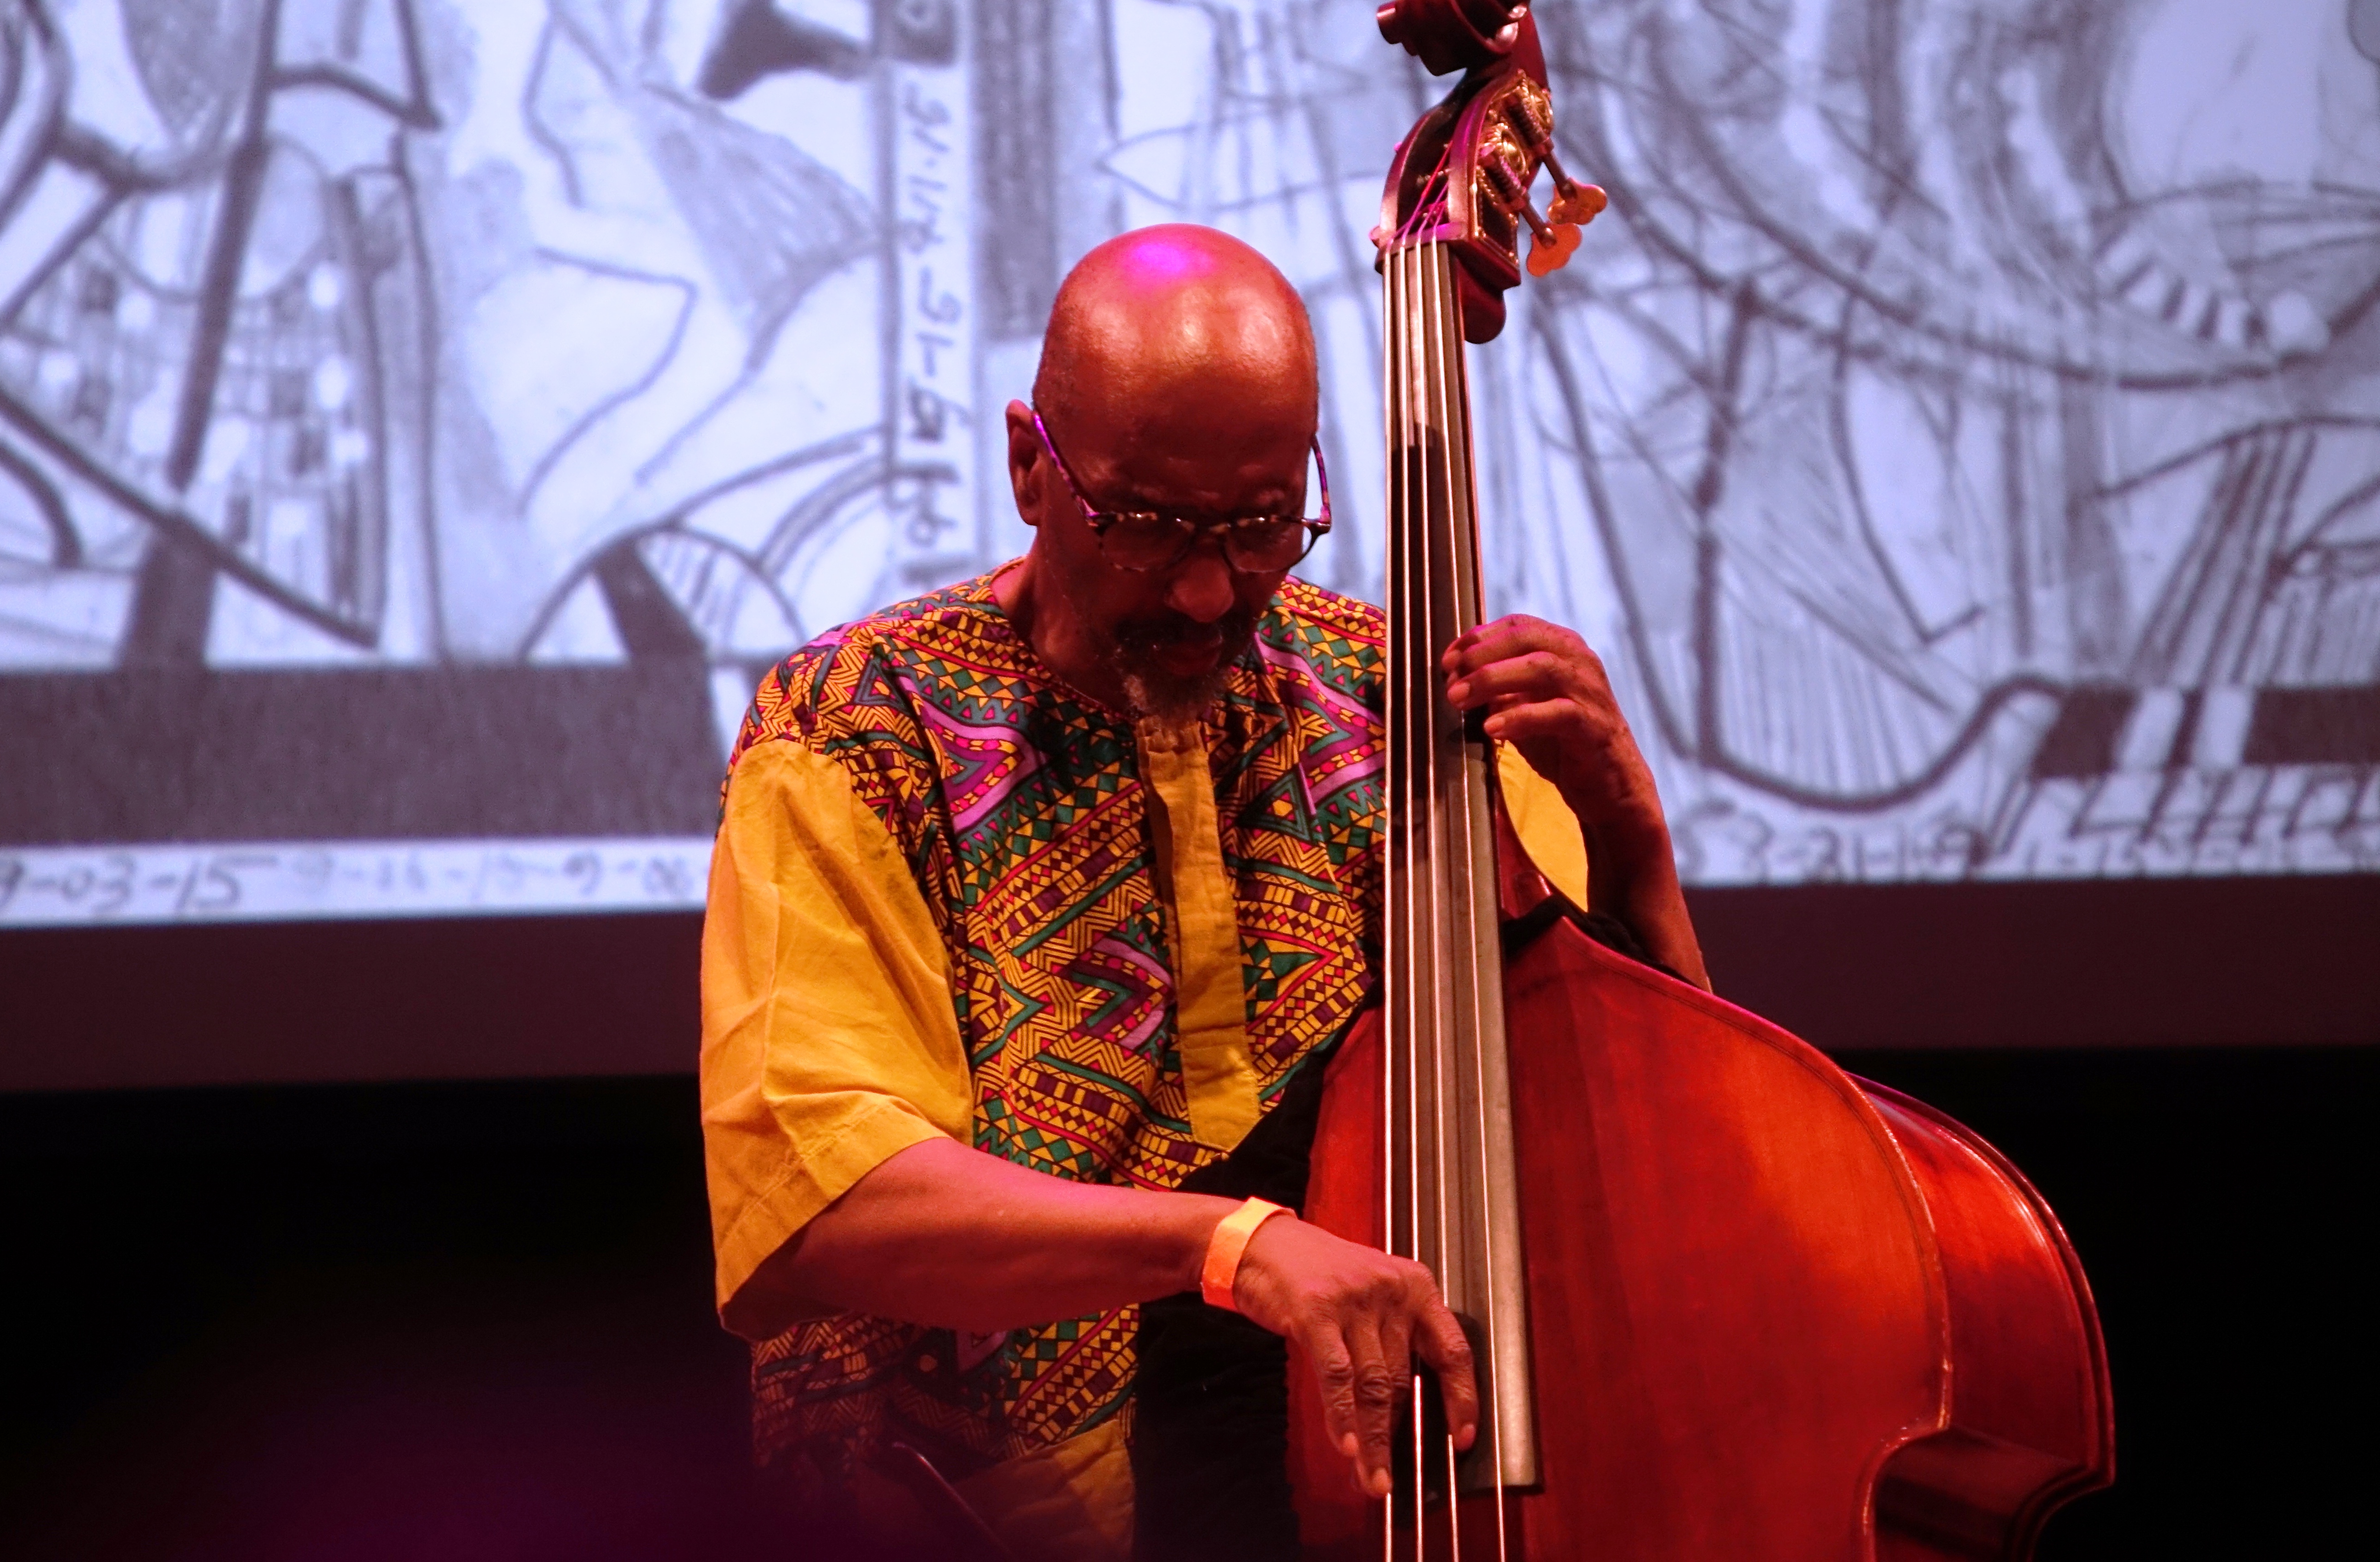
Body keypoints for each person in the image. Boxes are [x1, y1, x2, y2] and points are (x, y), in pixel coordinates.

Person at [698, 225, 1708, 1560]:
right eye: (1149, 526)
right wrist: (1233, 1245)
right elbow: (825, 1199)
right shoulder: (861, 729)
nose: (1206, 587)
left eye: (1260, 527)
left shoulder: (1406, 705)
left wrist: (1632, 848)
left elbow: (1659, 1143)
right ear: (1028, 467)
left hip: (1352, 1514)